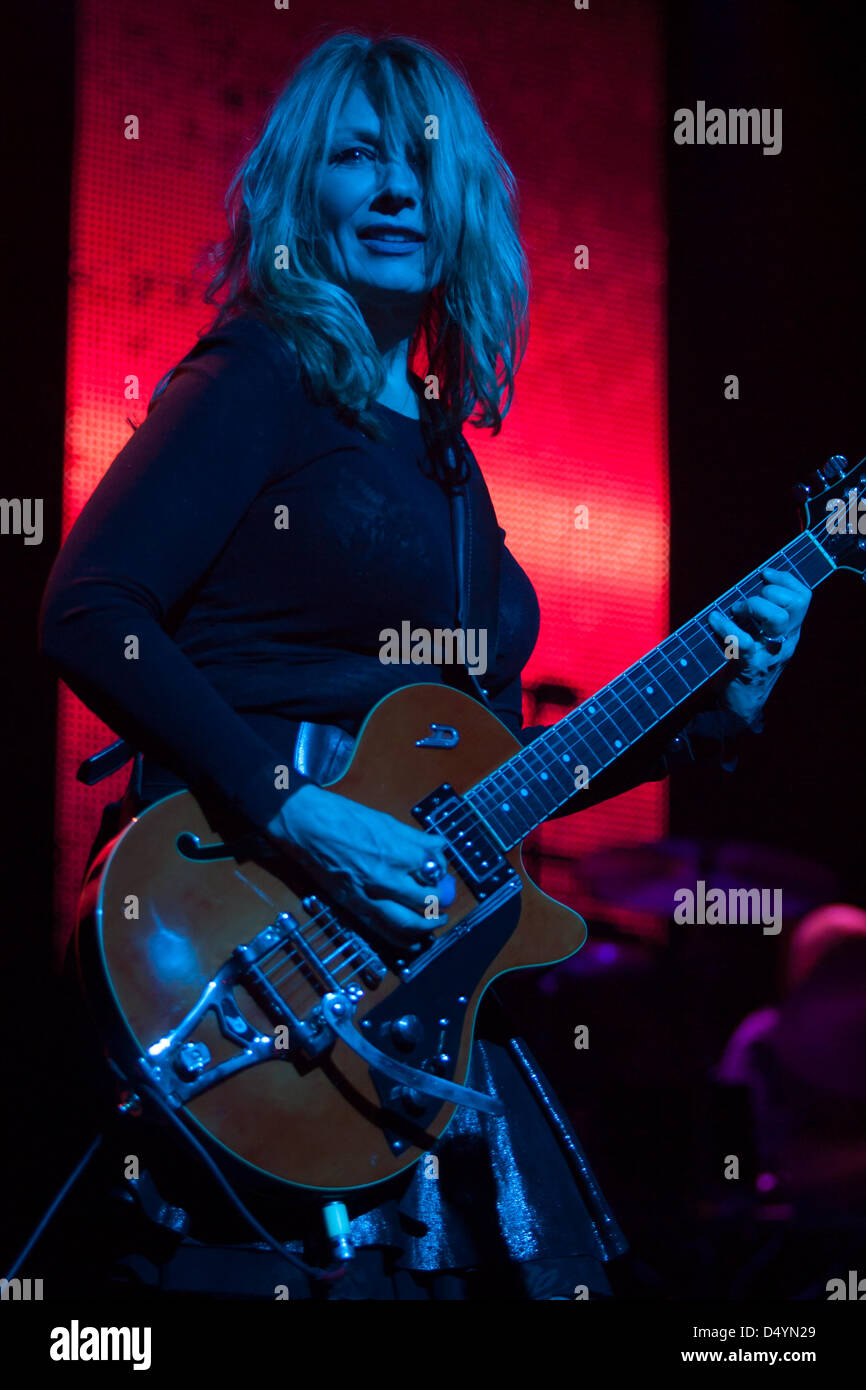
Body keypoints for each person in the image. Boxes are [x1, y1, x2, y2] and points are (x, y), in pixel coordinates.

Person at [39, 31, 811, 1301]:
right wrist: (296, 809)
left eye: (423, 164)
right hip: (258, 936)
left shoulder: (448, 461)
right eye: (357, 157)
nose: (397, 188)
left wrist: (707, 718)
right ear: (302, 193)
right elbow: (89, 609)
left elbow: (499, 780)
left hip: (408, 985)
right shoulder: (258, 375)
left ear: (462, 209)